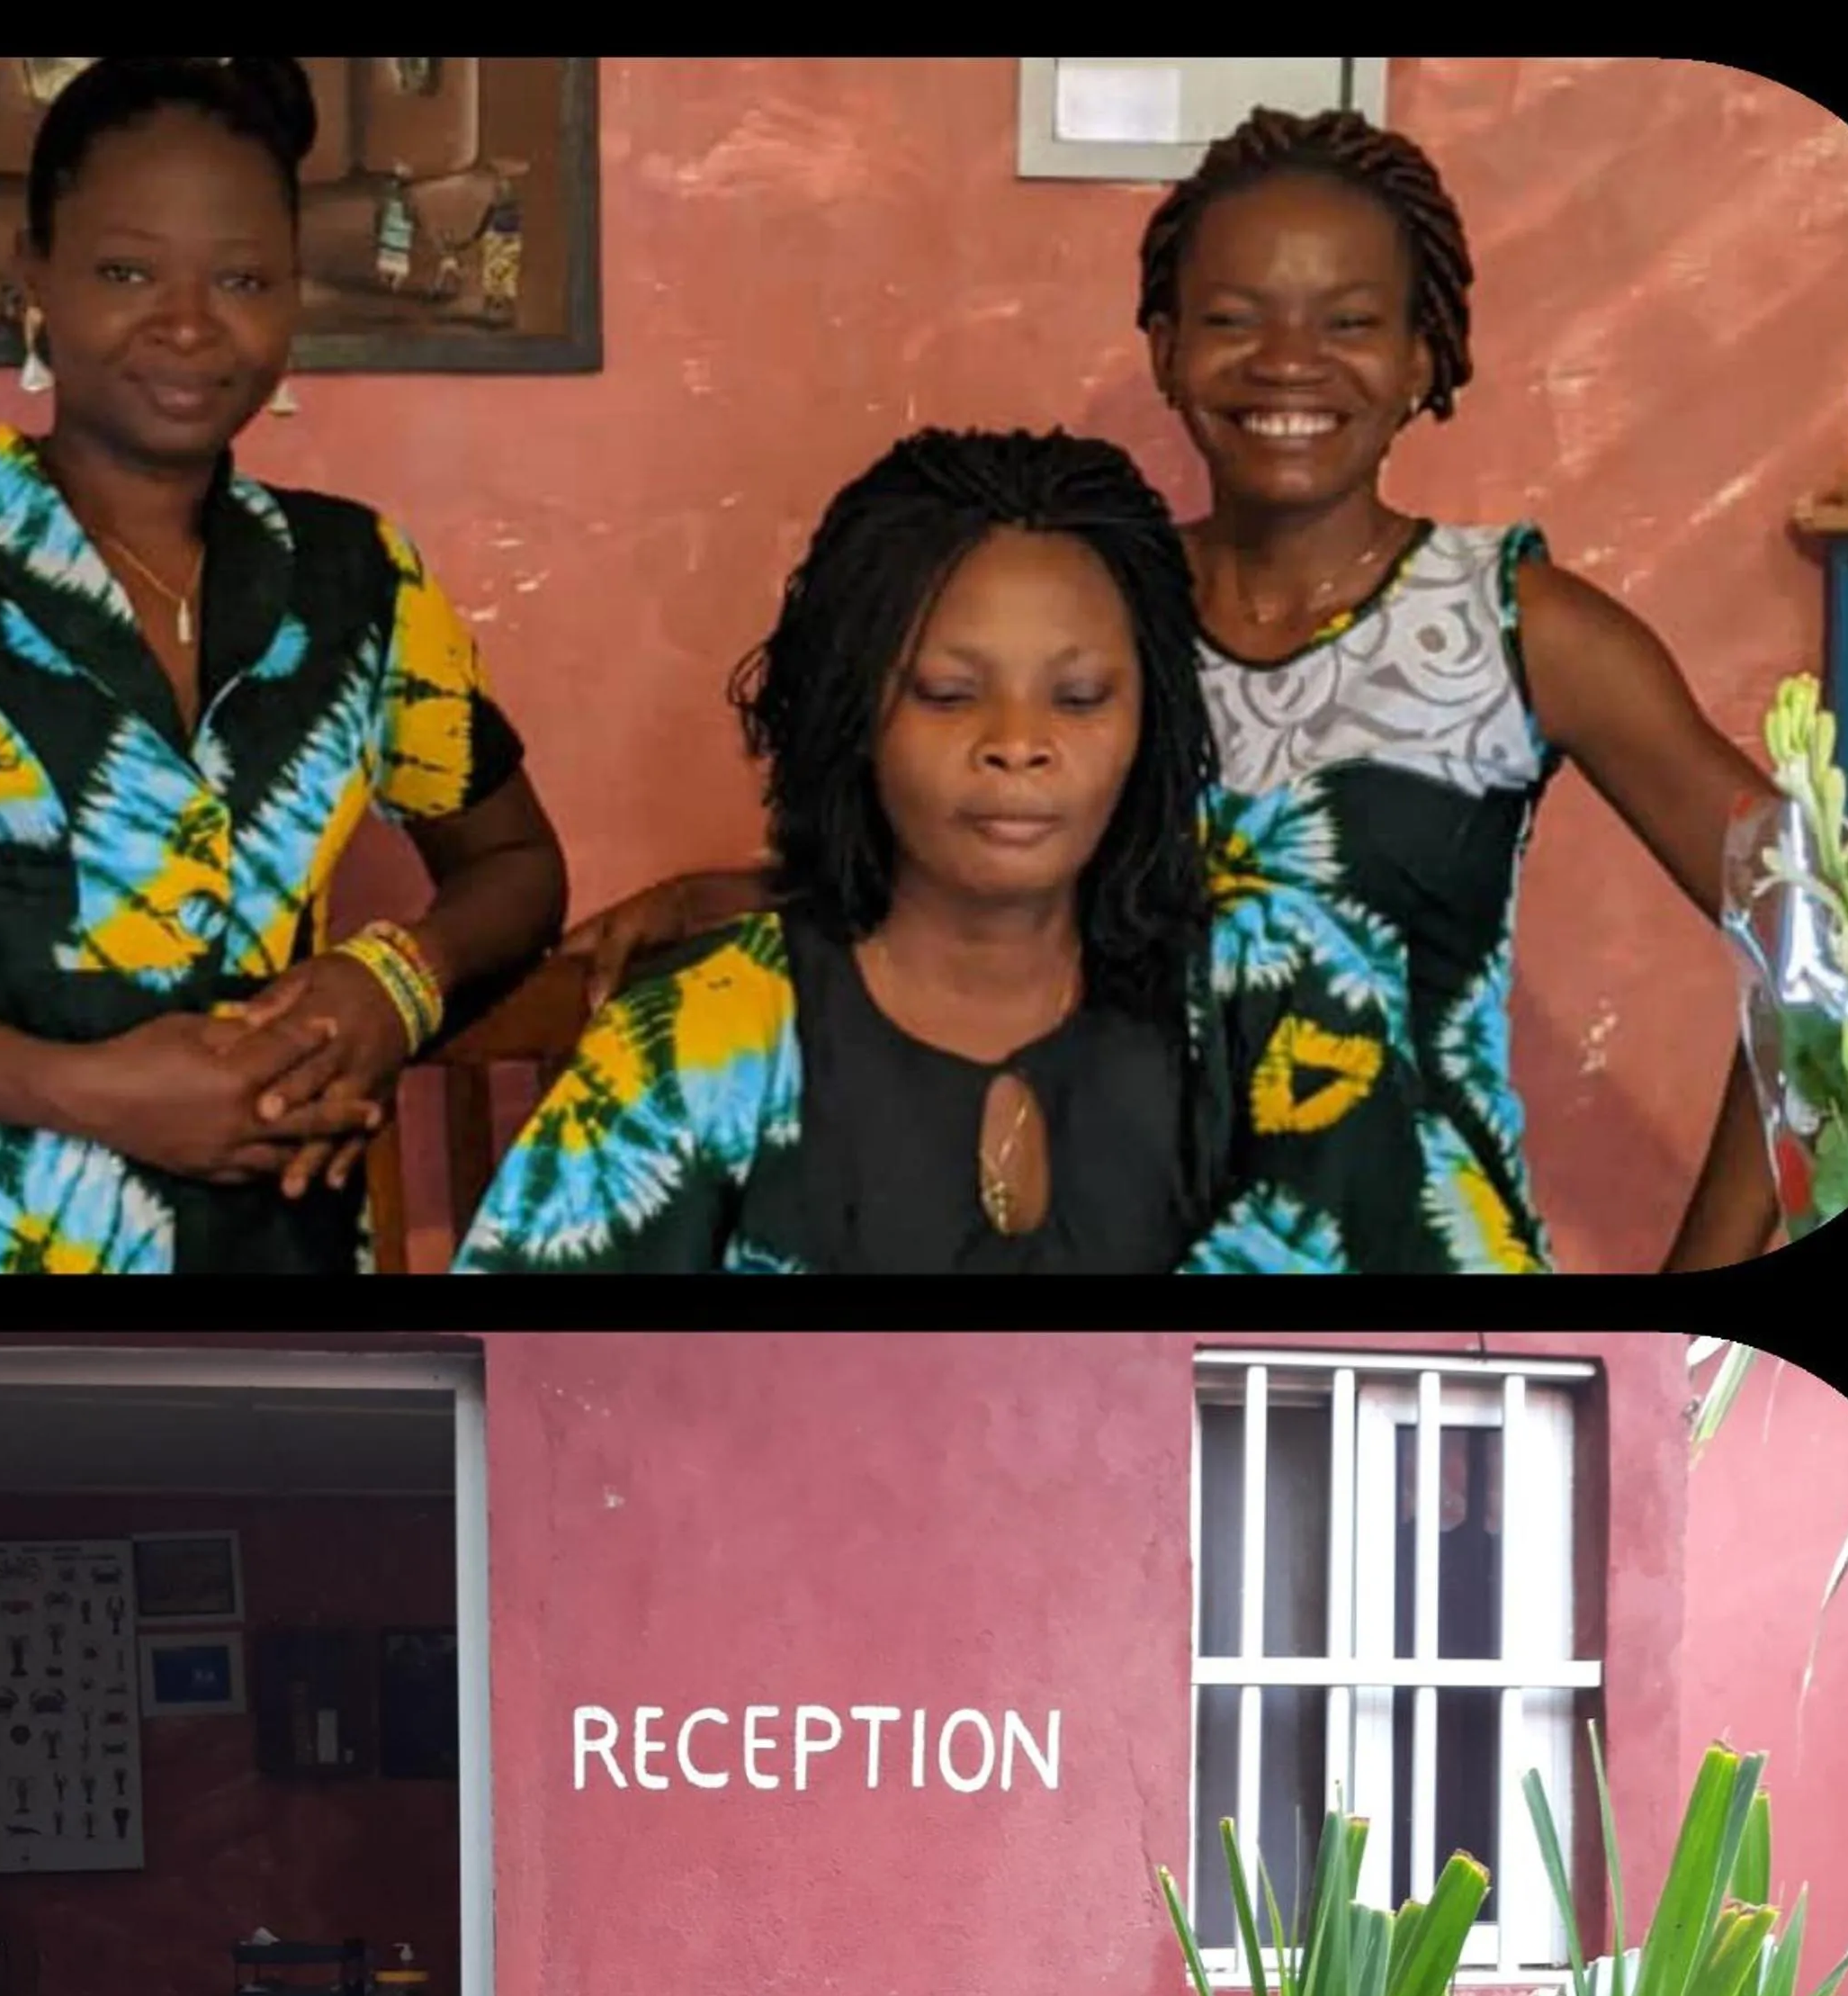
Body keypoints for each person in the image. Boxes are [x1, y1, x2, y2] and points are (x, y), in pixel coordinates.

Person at [570, 108, 1784, 1273]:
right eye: (1233, 319)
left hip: (1413, 1268)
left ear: (1424, 353)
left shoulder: (1520, 628)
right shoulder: (1096, 605)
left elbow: (1830, 941)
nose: (1289, 362)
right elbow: (990, 884)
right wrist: (745, 897)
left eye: (1350, 321)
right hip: (1126, 1256)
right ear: (1163, 346)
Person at [0, 57, 567, 1273]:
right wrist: (82, 1090)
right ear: (34, 274)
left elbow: (516, 867)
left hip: (276, 1253)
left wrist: (393, 979)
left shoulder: (360, 578)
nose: (188, 324)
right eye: (126, 272)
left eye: (242, 279)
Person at [453, 429, 1224, 1273]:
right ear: (852, 713)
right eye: (948, 694)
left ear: (1152, 719)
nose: (1017, 744)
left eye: (1078, 697)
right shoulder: (704, 1040)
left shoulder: (1237, 1015)